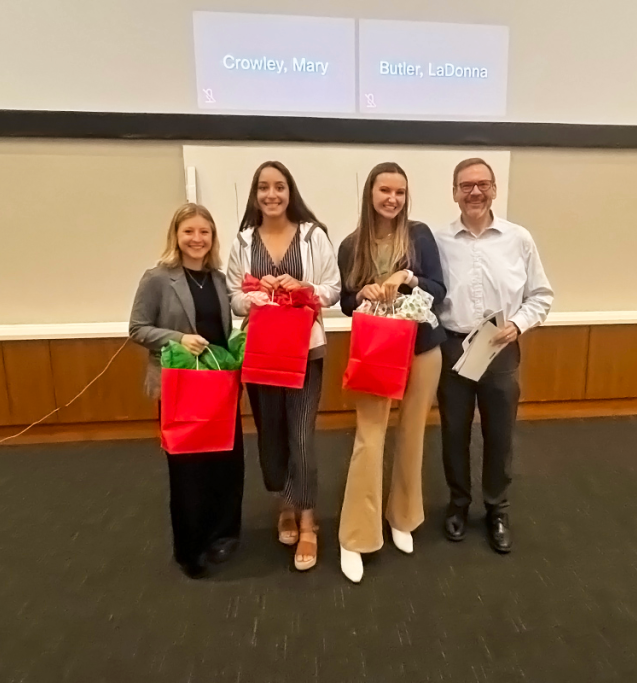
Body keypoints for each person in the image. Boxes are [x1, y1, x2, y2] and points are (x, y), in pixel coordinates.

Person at [435, 158, 554, 554]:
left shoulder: (519, 239)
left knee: (499, 434)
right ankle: (458, 503)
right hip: (454, 348)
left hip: (501, 349)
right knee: (453, 433)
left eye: (483, 184)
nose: (475, 192)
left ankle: (496, 509)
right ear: (454, 193)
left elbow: (541, 295)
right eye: (466, 185)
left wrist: (518, 324)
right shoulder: (437, 241)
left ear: (494, 190)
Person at [226, 161, 340, 572]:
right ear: (255, 195)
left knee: (302, 435)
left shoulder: (313, 236)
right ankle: (286, 503)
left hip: (305, 352)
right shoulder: (242, 241)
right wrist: (252, 298)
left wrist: (305, 289)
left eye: (279, 187)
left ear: (290, 191)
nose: (271, 195)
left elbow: (333, 288)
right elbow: (233, 295)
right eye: (263, 188)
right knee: (271, 434)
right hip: (261, 350)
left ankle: (309, 523)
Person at [335, 162, 446, 583]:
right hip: (377, 351)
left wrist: (408, 279)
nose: (392, 199)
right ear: (371, 193)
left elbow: (438, 290)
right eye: (385, 190)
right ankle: (355, 536)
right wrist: (361, 292)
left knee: (413, 433)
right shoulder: (351, 244)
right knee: (370, 437)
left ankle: (402, 515)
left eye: (400, 192)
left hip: (421, 349)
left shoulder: (419, 236)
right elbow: (346, 302)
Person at [130, 203, 244, 579]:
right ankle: (189, 549)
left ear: (212, 238)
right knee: (188, 470)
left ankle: (222, 534)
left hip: (219, 386)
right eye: (189, 232)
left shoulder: (219, 279)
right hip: (181, 387)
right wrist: (178, 337)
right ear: (176, 236)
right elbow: (137, 328)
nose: (197, 239)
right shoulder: (158, 278)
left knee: (226, 465)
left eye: (204, 232)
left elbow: (226, 329)